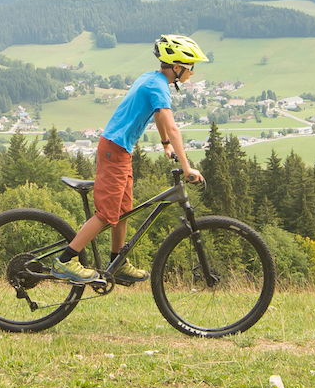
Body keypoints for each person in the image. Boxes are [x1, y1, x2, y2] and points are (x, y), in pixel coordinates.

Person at [50, 34, 206, 285]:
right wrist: (186, 167)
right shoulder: (157, 86)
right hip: (114, 150)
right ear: (176, 67)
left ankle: (117, 262)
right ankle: (66, 261)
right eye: (190, 67)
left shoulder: (152, 79)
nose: (192, 73)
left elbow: (158, 116)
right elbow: (172, 125)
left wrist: (165, 145)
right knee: (106, 214)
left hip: (120, 150)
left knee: (122, 211)